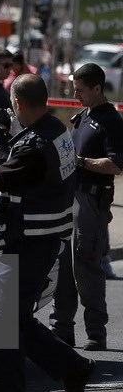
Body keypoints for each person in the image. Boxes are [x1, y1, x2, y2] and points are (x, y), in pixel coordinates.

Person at [0, 74, 95, 392]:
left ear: (19, 104)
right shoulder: (55, 129)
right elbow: (33, 169)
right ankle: (73, 367)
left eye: (12, 103)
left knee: (1, 321)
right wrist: (11, 135)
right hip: (42, 236)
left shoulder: (33, 148)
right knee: (13, 318)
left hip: (31, 240)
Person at [50, 63, 123, 351]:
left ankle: (95, 332)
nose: (75, 94)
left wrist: (80, 162)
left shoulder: (111, 121)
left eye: (80, 90)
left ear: (97, 88)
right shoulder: (83, 116)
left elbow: (116, 164)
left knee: (86, 266)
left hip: (91, 202)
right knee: (63, 268)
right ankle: (62, 329)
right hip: (69, 199)